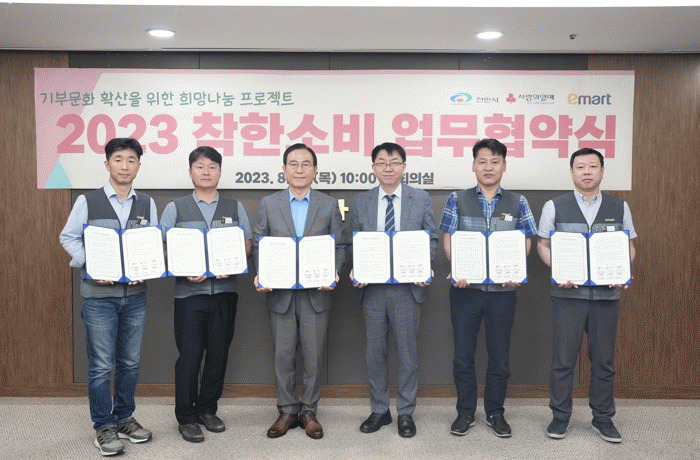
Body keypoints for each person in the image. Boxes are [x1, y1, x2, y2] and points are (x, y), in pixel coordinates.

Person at [59, 138, 157, 456]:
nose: (124, 166)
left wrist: (148, 266)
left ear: (138, 166)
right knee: (101, 366)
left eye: (131, 160)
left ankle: (124, 418)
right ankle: (103, 425)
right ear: (107, 164)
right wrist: (90, 263)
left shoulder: (147, 203)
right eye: (118, 159)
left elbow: (151, 243)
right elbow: (68, 237)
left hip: (135, 296)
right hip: (99, 297)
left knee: (130, 363)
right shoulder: (88, 201)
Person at [537, 147, 636, 443]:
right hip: (568, 296)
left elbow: (629, 245)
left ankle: (603, 418)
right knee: (563, 360)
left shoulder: (620, 207)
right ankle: (560, 416)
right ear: (571, 172)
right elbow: (543, 244)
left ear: (602, 171)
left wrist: (622, 271)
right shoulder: (554, 206)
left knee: (604, 361)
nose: (587, 172)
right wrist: (558, 270)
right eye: (580, 167)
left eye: (593, 166)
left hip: (606, 297)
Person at [439, 138, 537, 438]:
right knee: (462, 356)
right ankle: (465, 412)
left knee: (499, 357)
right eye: (482, 161)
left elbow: (526, 239)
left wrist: (516, 270)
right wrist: (458, 268)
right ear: (473, 165)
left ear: (504, 165)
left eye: (495, 161)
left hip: (502, 293)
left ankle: (495, 411)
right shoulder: (457, 198)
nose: (488, 167)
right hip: (465, 291)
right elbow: (448, 237)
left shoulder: (518, 201)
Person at [253, 143, 346, 440]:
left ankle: (308, 410)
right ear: (284, 170)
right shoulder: (269, 203)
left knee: (314, 357)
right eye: (293, 164)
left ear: (315, 170)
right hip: (280, 292)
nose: (299, 169)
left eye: (306, 164)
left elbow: (339, 245)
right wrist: (261, 273)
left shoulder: (328, 204)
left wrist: (334, 271)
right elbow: (260, 243)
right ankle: (287, 410)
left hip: (316, 293)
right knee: (283, 356)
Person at [160, 146, 252, 443]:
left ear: (220, 172)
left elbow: (247, 244)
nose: (206, 172)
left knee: (218, 354)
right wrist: (183, 268)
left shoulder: (234, 207)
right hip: (189, 295)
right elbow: (162, 247)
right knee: (189, 357)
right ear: (190, 172)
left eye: (212, 167)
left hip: (225, 292)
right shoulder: (175, 208)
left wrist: (233, 263)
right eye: (200, 167)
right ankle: (186, 417)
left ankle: (207, 409)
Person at [350, 142, 437, 438]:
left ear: (404, 166)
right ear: (373, 167)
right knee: (375, 352)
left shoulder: (420, 198)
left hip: (407, 288)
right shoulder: (362, 200)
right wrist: (356, 268)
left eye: (395, 162)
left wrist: (425, 266)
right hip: (372, 288)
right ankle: (379, 409)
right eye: (382, 162)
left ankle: (406, 411)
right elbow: (356, 242)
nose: (388, 168)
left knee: (408, 353)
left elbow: (431, 239)